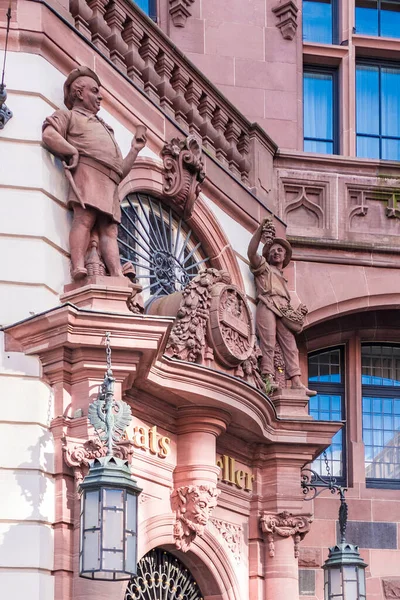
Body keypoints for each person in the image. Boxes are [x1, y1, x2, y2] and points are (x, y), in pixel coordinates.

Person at [42, 66, 146, 281]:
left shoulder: (106, 127)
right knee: (84, 218)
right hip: (89, 171)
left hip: (111, 181)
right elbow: (50, 134)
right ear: (79, 93)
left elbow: (120, 171)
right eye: (94, 91)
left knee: (110, 231)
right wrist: (71, 150)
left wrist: (134, 150)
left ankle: (116, 273)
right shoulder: (69, 116)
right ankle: (78, 265)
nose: (100, 97)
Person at [247, 218, 316, 396]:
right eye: (273, 250)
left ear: (285, 256)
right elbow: (251, 252)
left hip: (283, 309)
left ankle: (296, 381)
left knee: (291, 345)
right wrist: (260, 230)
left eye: (280, 250)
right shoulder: (264, 268)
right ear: (268, 255)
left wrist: (297, 312)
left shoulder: (283, 278)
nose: (276, 252)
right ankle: (268, 378)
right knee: (268, 342)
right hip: (268, 304)